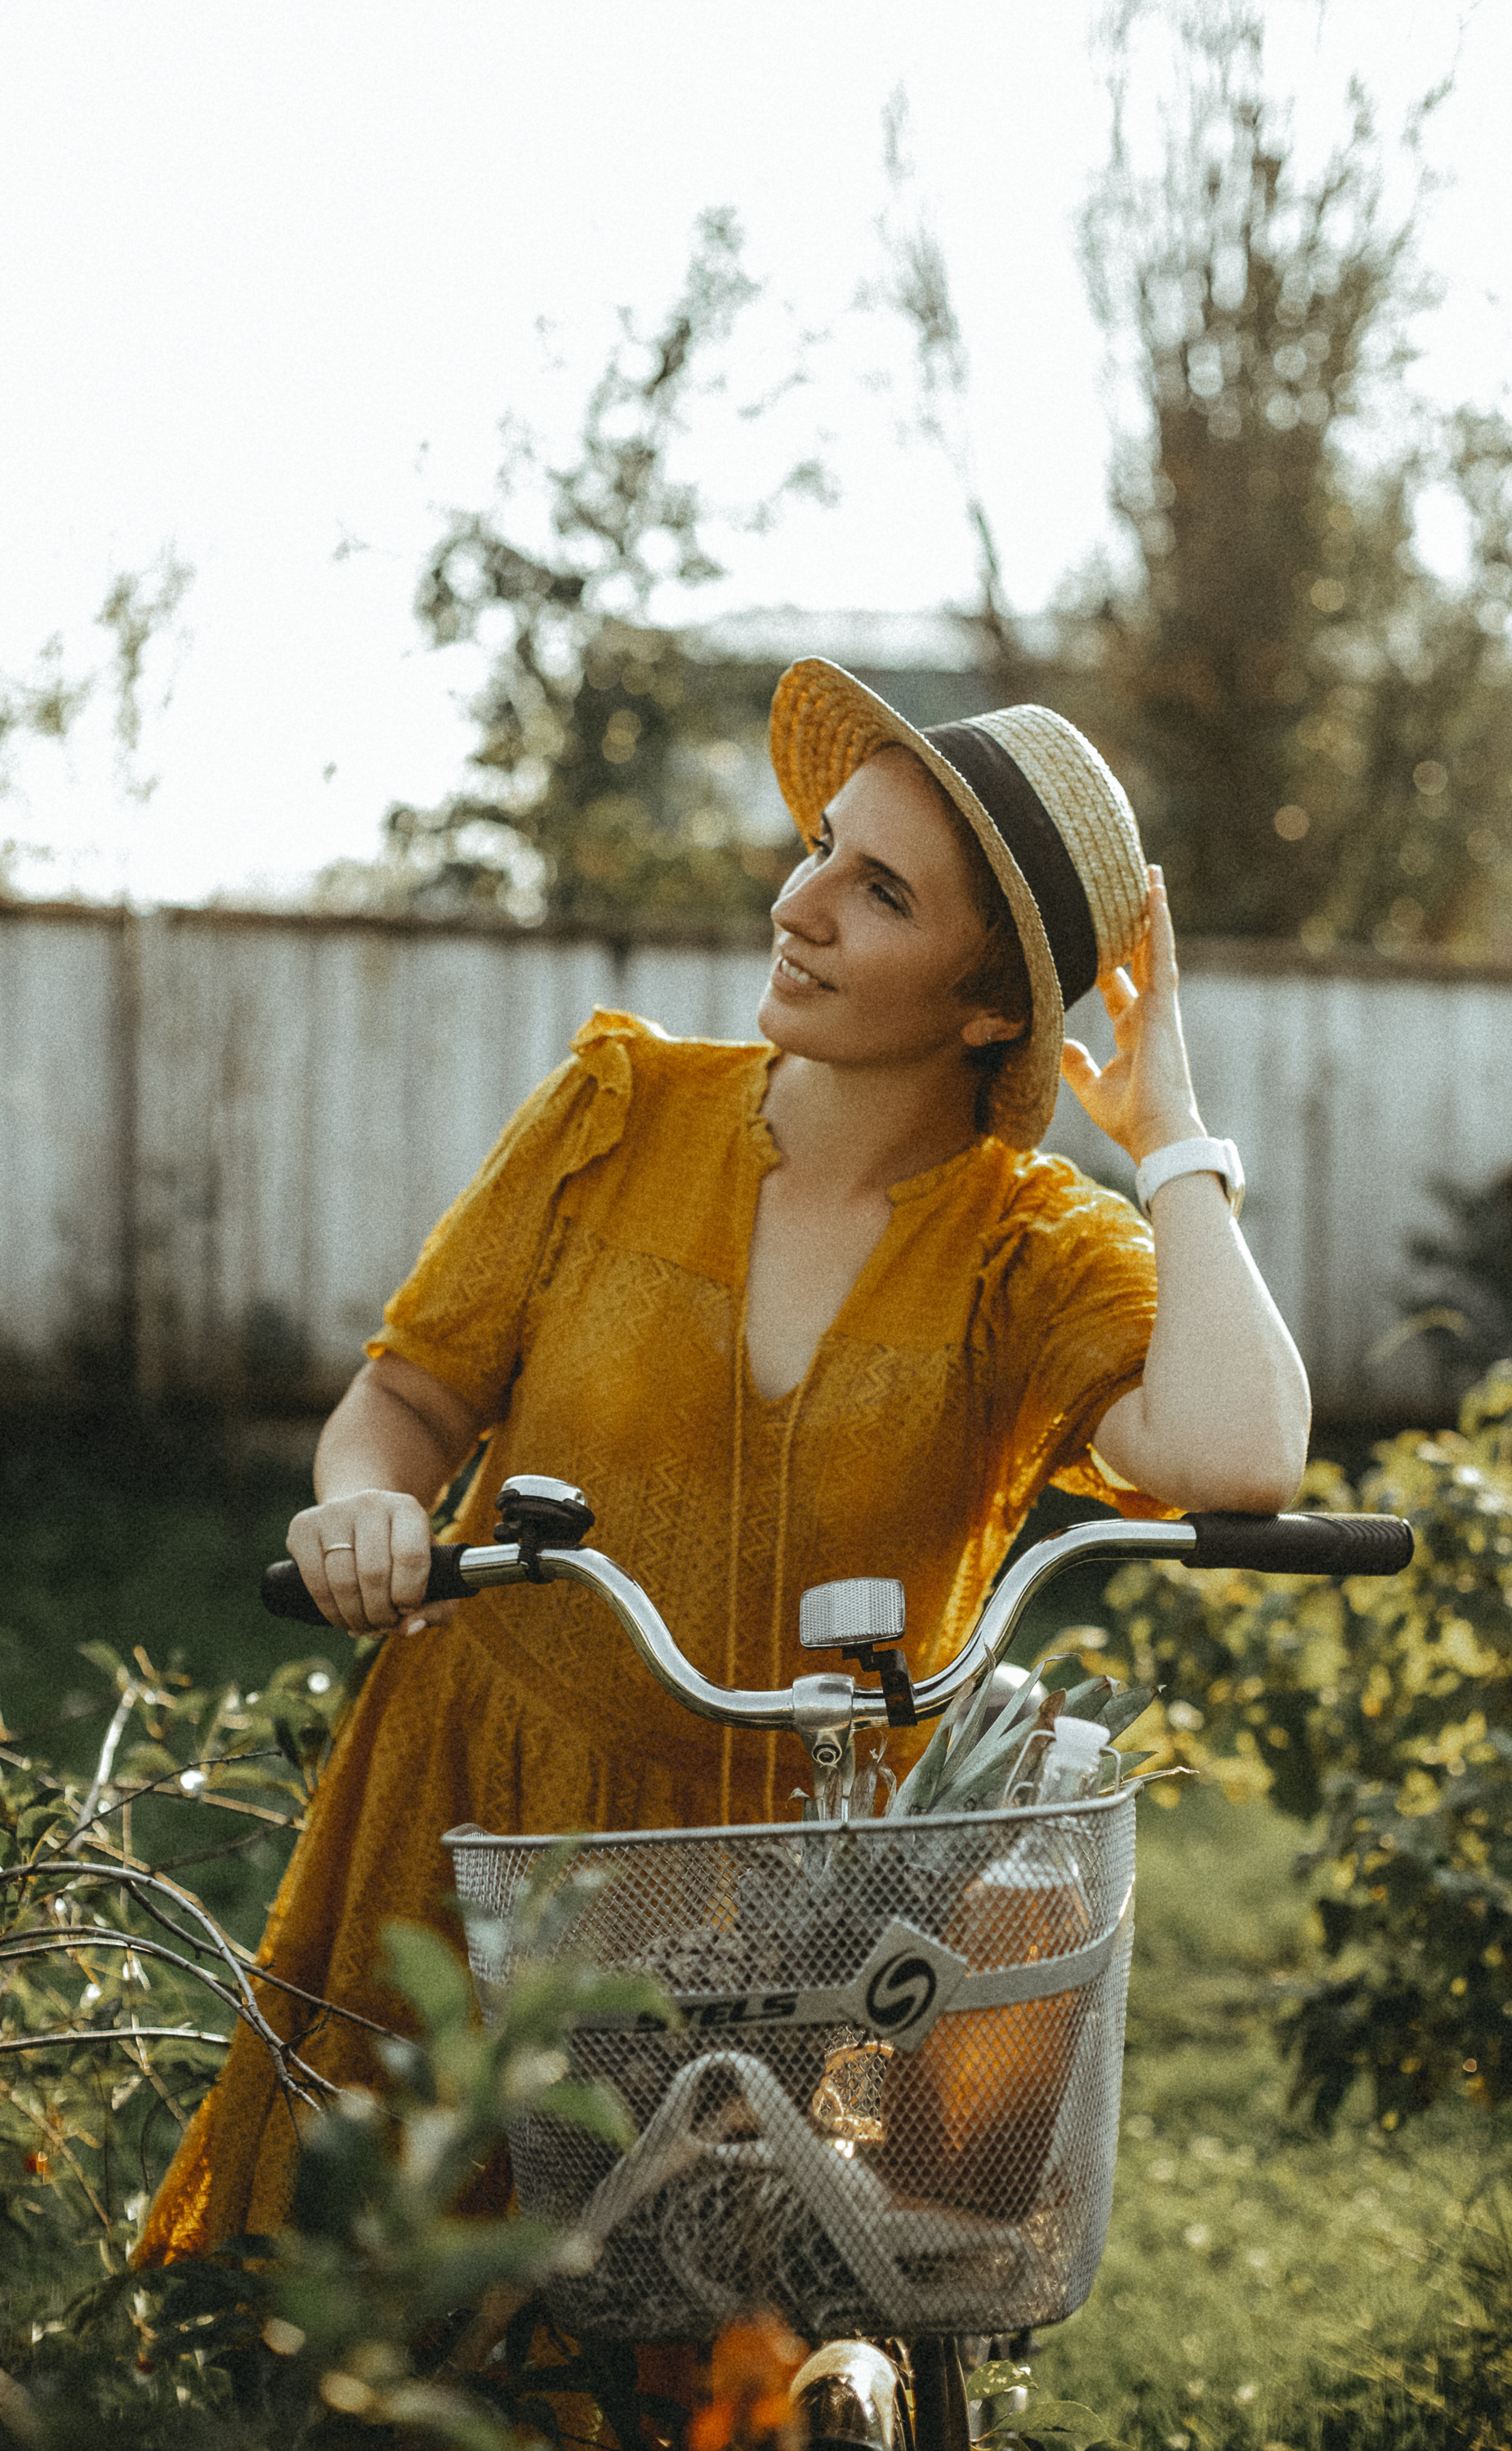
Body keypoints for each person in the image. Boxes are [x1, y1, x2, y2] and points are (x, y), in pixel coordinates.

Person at [138, 658, 1309, 2264]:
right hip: (479, 1817)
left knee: (716, 2324)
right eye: (822, 844)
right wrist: (361, 1501)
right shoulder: (619, 1110)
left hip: (788, 1900)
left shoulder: (1031, 1254)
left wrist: (1169, 1132)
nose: (800, 903)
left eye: (878, 890)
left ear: (986, 1003)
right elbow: (411, 1399)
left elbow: (1241, 1456)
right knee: (374, 2299)